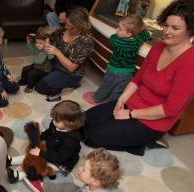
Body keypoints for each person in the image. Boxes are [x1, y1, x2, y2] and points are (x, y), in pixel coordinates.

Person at [82, 0, 194, 156]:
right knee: (83, 120)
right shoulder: (158, 47)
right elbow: (137, 80)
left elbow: (170, 109)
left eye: (175, 28)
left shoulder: (190, 62)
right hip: (133, 104)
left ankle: (143, 144)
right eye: (166, 25)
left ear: (190, 30)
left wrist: (129, 114)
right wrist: (121, 100)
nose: (167, 31)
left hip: (152, 122)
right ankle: (131, 136)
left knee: (91, 137)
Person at [7, 100, 85, 187]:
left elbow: (60, 158)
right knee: (32, 154)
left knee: (41, 166)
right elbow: (49, 132)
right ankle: (11, 161)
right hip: (52, 148)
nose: (53, 121)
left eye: (57, 120)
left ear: (69, 123)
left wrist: (41, 153)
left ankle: (22, 175)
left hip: (63, 161)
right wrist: (40, 137)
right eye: (53, 118)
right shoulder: (55, 124)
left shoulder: (71, 140)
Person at [36, 7, 94, 101]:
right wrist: (43, 38)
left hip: (70, 73)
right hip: (55, 65)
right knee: (33, 75)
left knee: (41, 87)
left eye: (71, 26)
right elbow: (50, 37)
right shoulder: (64, 30)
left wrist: (57, 52)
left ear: (81, 25)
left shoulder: (86, 41)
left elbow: (71, 68)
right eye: (66, 24)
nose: (66, 27)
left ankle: (68, 87)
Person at [93, 14, 151, 103]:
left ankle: (98, 98)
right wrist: (140, 31)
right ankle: (111, 105)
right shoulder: (136, 41)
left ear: (128, 34)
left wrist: (118, 35)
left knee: (106, 85)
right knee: (118, 91)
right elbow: (146, 34)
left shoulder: (115, 40)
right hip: (127, 73)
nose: (116, 30)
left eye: (119, 29)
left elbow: (111, 38)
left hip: (112, 69)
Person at [18, 26, 56, 93]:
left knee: (32, 74)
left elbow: (51, 57)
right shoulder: (39, 49)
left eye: (40, 43)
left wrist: (47, 45)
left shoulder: (49, 49)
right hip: (36, 66)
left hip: (44, 70)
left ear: (47, 42)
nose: (37, 45)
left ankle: (31, 86)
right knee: (25, 69)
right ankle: (23, 81)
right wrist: (29, 42)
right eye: (36, 42)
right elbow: (33, 49)